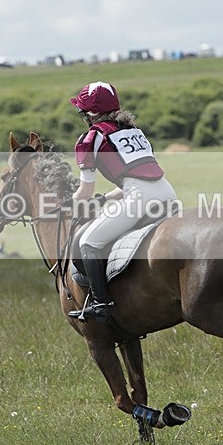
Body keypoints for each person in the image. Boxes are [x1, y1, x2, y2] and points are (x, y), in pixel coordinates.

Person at [68, 81, 177, 323]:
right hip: (167, 193)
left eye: (83, 111)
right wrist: (104, 199)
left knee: (87, 243)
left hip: (139, 198)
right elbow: (138, 176)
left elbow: (84, 192)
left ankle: (101, 305)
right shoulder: (133, 130)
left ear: (92, 113)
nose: (83, 115)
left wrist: (70, 203)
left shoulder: (91, 138)